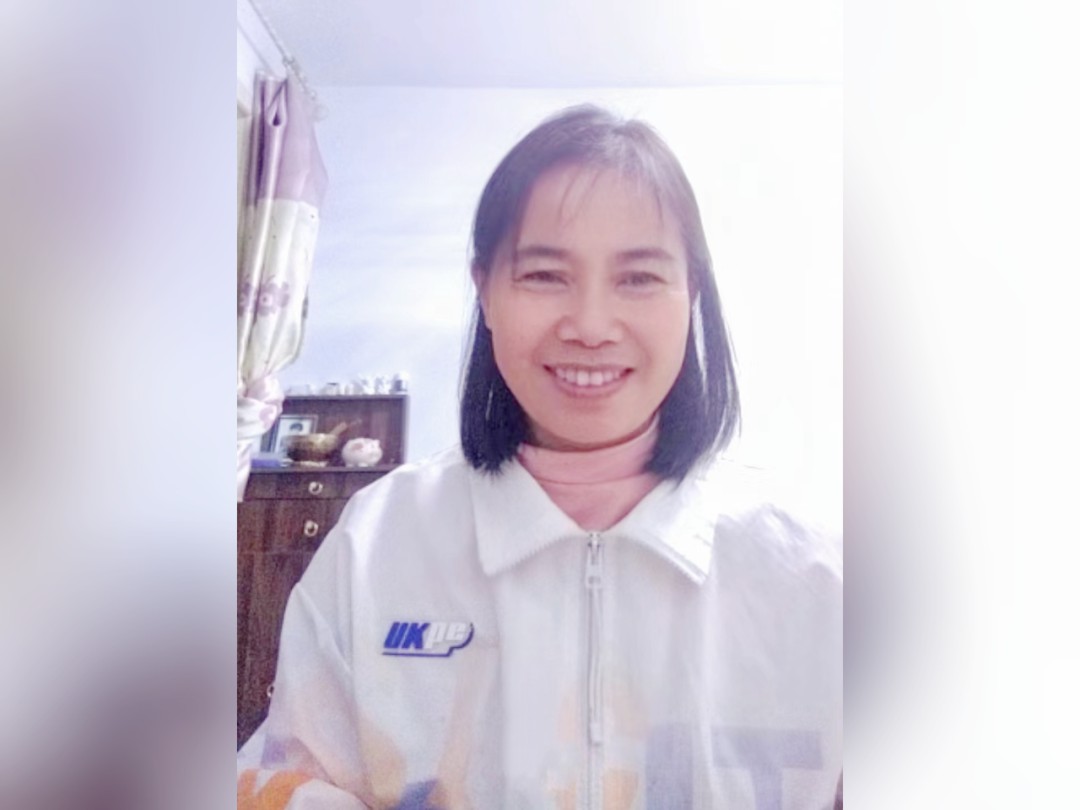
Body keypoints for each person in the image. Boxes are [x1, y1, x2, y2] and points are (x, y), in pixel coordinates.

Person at [238, 104, 842, 809]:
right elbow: (285, 778)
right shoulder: (381, 538)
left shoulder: (810, 569)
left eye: (639, 278)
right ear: (485, 290)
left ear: (692, 295)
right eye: (545, 275)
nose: (590, 326)